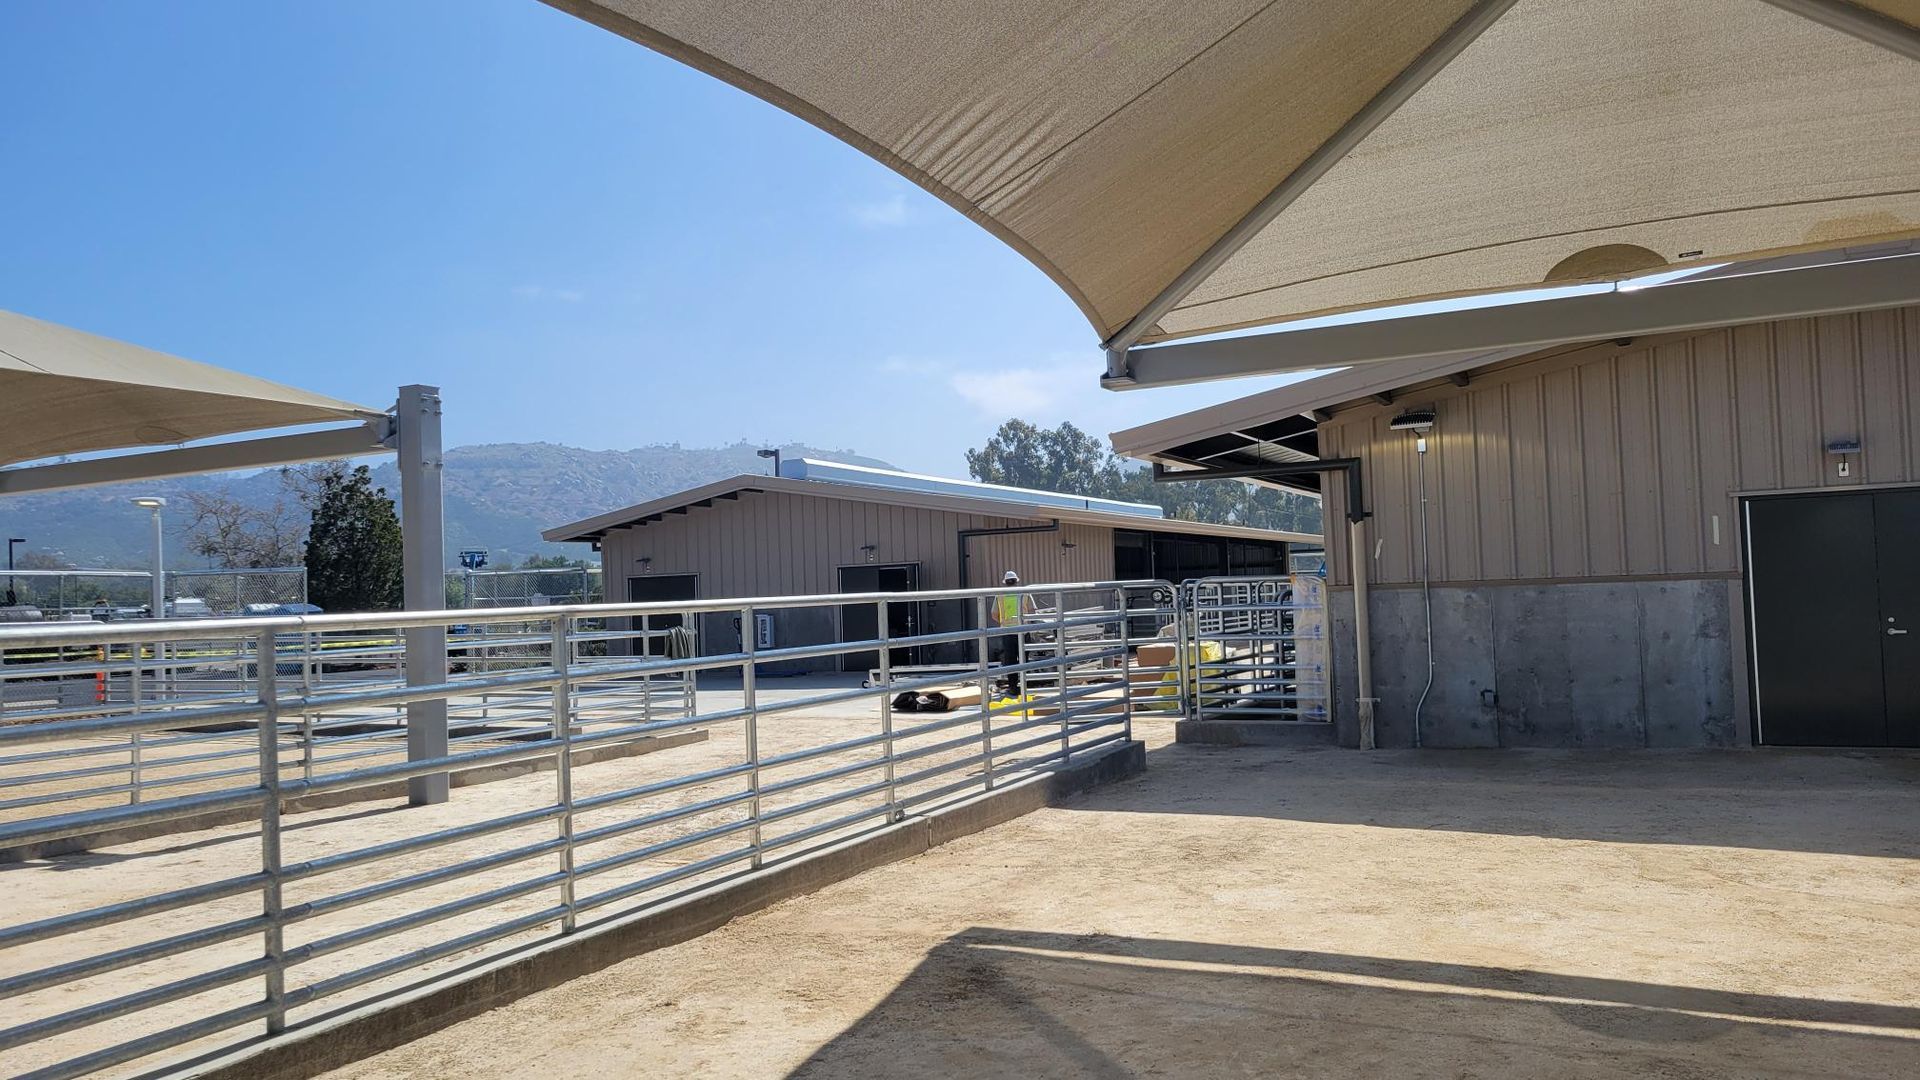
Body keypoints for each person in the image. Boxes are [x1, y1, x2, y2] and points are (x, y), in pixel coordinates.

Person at [989, 570, 1037, 695]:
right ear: (1016, 581)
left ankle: (1013, 687)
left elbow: (994, 614)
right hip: (1023, 631)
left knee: (1011, 661)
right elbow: (1032, 611)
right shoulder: (1024, 593)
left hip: (1008, 632)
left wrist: (1004, 622)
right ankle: (1024, 685)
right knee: (1024, 660)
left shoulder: (1000, 595)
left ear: (1005, 582)